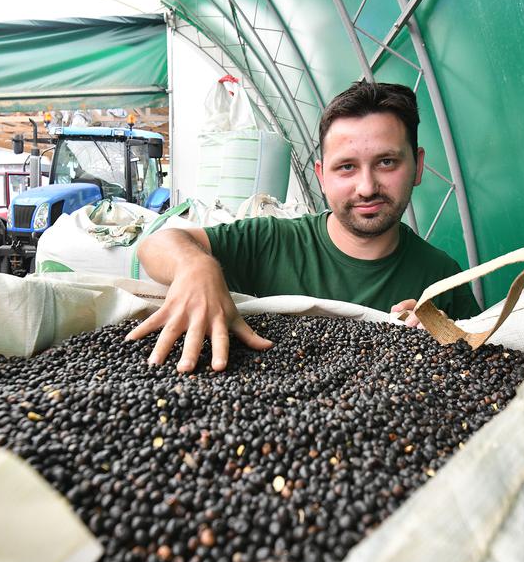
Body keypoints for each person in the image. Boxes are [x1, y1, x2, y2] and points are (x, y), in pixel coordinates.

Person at [126, 81, 480, 373]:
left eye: (386, 162)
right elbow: (155, 244)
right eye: (346, 168)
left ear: (417, 167)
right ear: (321, 176)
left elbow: (483, 360)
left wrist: (445, 336)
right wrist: (196, 267)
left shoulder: (442, 277)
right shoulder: (270, 240)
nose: (367, 186)